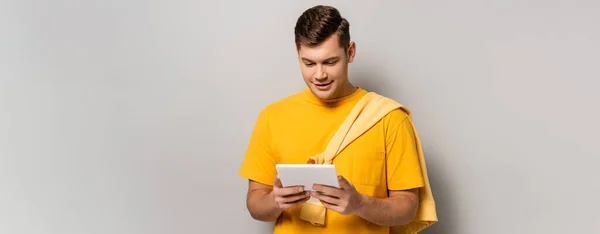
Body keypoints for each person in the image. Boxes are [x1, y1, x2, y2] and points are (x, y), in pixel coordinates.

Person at [239, 5, 435, 234]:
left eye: (330, 62)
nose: (319, 75)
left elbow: (408, 209)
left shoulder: (389, 118)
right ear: (297, 54)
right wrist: (275, 200)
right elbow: (255, 205)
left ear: (350, 52)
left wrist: (359, 203)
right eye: (309, 63)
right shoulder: (272, 117)